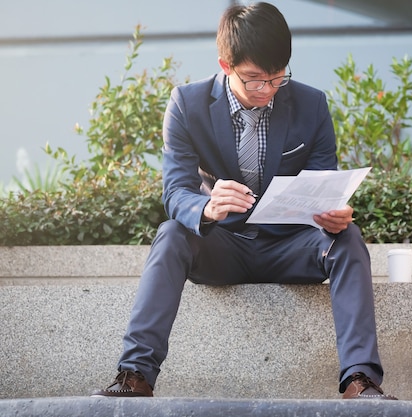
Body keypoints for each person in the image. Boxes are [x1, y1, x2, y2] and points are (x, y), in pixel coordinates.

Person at [91, 2, 396, 400]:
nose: (267, 90)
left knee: (349, 237)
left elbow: (324, 182)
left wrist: (332, 214)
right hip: (223, 245)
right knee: (170, 234)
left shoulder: (312, 104)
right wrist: (206, 207)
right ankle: (135, 375)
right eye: (254, 79)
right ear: (225, 64)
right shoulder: (187, 104)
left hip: (291, 246)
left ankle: (361, 381)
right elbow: (176, 191)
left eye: (277, 78)